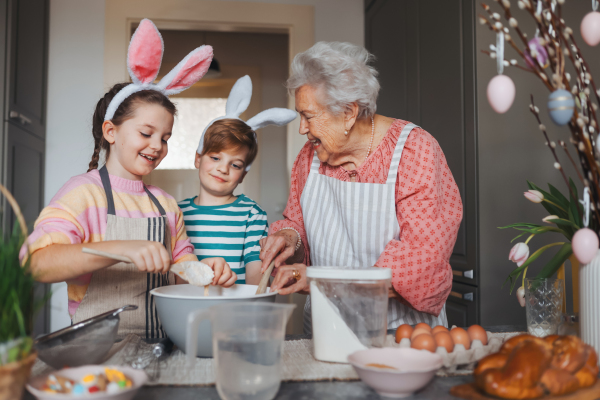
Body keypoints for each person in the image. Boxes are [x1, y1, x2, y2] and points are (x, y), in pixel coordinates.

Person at [20, 19, 236, 339]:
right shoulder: (83, 194)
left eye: (165, 137)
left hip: (162, 341)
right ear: (111, 131)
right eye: (146, 133)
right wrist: (116, 249)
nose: (157, 146)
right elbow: (36, 263)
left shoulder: (165, 204)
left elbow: (180, 270)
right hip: (97, 351)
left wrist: (206, 272)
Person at [259, 42, 463, 332]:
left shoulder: (414, 152)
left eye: (308, 115)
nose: (302, 128)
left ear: (349, 113)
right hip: (325, 327)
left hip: (398, 333)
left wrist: (318, 280)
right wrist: (290, 238)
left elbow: (420, 264)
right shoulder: (309, 157)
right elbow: (298, 223)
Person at [179, 76, 296, 285]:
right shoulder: (176, 213)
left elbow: (255, 282)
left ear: (243, 174)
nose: (223, 168)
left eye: (235, 165)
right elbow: (172, 275)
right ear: (198, 158)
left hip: (235, 313)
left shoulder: (252, 215)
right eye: (215, 158)